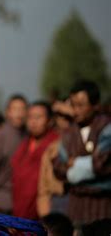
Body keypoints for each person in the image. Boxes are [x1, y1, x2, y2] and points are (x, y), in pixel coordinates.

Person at [53, 80, 111, 226]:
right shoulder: (68, 134)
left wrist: (75, 164)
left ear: (95, 105)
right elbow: (59, 168)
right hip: (77, 212)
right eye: (73, 105)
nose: (76, 110)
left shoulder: (106, 128)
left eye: (81, 105)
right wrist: (88, 167)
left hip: (103, 209)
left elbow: (101, 164)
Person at [11, 101, 60, 219]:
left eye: (38, 117)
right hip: (21, 211)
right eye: (30, 117)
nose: (33, 122)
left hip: (45, 211)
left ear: (50, 121)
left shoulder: (56, 144)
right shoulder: (24, 145)